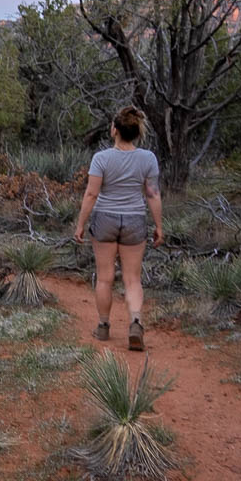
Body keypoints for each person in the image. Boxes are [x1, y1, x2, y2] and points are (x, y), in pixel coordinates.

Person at [73, 106, 164, 351]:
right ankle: (135, 323)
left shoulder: (101, 159)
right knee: (132, 278)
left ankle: (103, 326)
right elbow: (153, 194)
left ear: (114, 130)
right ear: (136, 133)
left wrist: (81, 224)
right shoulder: (148, 159)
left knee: (105, 277)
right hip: (134, 219)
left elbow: (92, 194)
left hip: (105, 219)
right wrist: (159, 226)